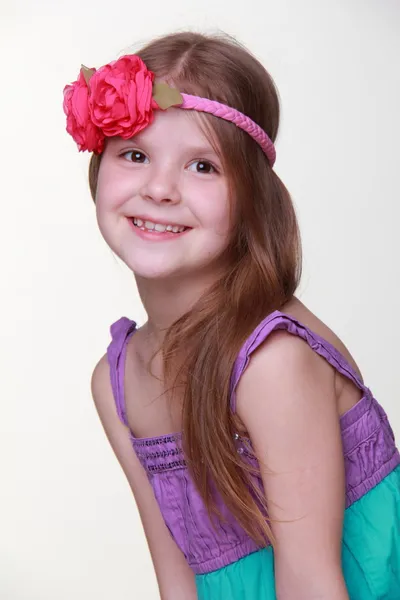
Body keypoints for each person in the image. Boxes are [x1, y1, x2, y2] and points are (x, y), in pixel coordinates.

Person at [63, 31, 400, 600]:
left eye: (202, 166)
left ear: (251, 197)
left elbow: (313, 585)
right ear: (99, 170)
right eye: (135, 155)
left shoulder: (270, 362)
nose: (161, 189)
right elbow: (177, 582)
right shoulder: (116, 383)